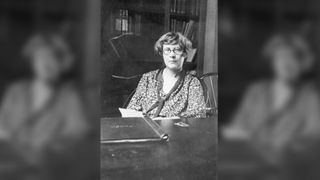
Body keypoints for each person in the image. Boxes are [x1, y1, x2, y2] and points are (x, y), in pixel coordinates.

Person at [0, 32, 90, 179]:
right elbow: (2, 128)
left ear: (61, 64)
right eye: (40, 57)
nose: (45, 64)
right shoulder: (16, 91)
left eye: (52, 58)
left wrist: (44, 152)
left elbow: (77, 137)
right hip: (10, 165)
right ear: (32, 61)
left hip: (45, 171)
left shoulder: (69, 97)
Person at [222, 33, 320, 166]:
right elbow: (238, 128)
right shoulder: (256, 91)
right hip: (247, 165)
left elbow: (312, 141)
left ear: (302, 64)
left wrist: (274, 151)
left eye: (293, 58)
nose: (286, 63)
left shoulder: (310, 99)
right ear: (272, 61)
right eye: (280, 57)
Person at [127, 32, 206, 118]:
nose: (172, 55)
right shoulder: (148, 78)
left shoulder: (192, 83)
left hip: (176, 129)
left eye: (177, 50)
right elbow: (132, 109)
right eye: (167, 50)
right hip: (147, 128)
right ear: (162, 53)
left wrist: (173, 120)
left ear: (185, 54)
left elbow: (199, 114)